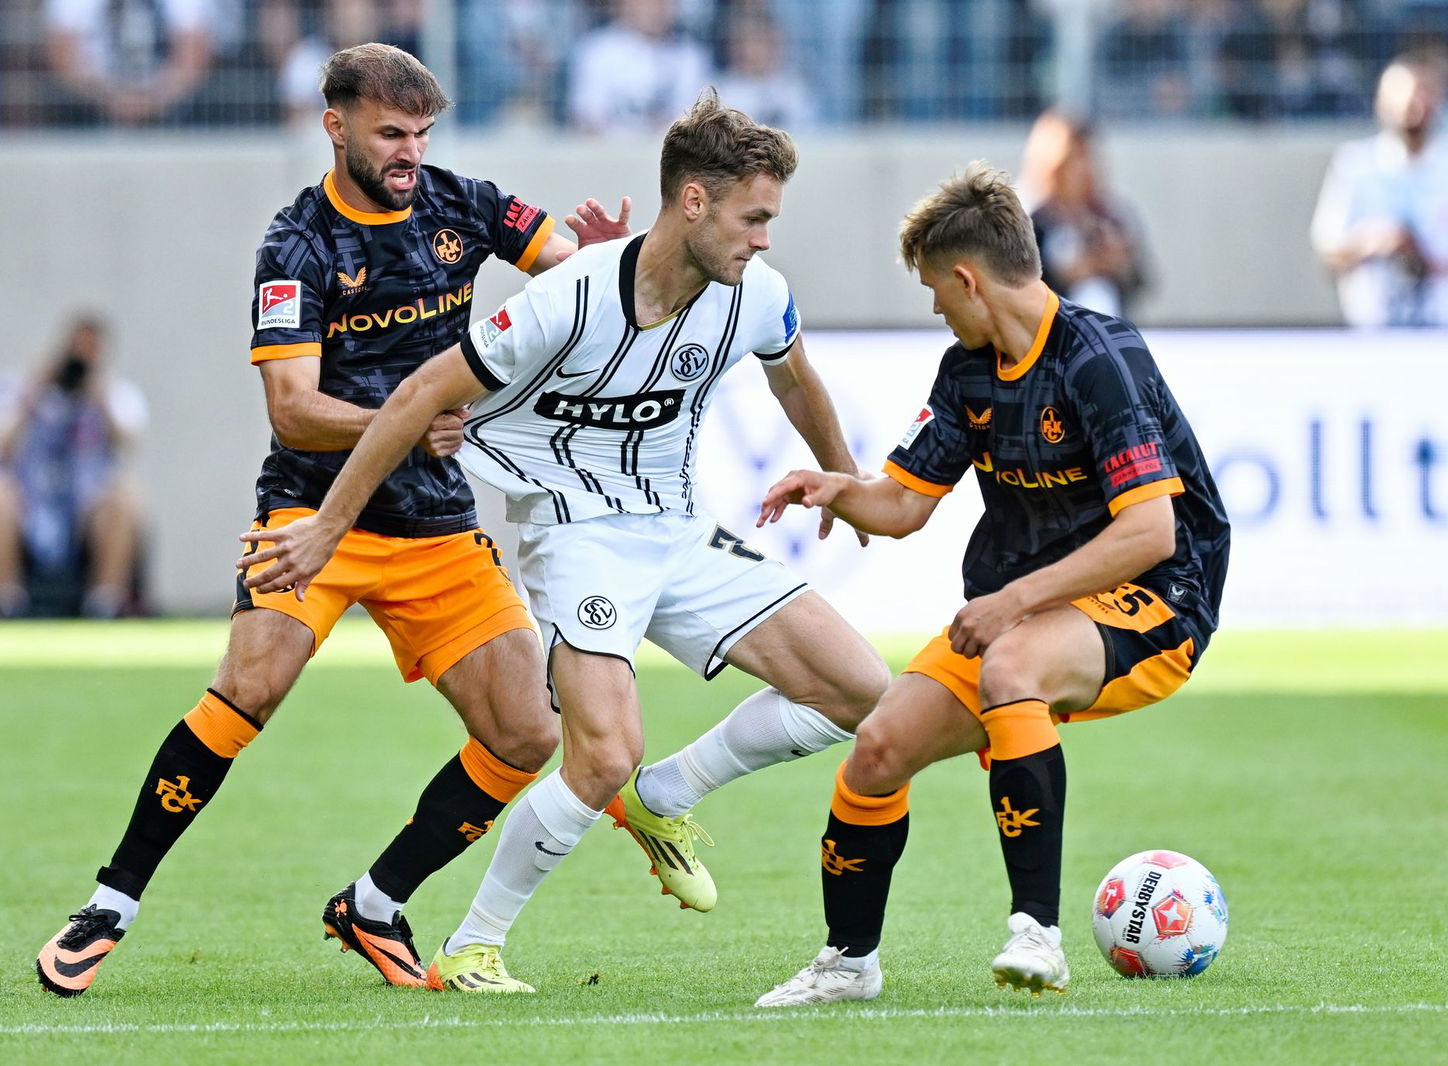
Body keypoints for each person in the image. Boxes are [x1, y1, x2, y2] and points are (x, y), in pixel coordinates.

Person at [239, 92, 891, 993]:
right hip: (578, 535)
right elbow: (419, 395)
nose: (765, 240)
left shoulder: (757, 295)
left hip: (679, 528)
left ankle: (665, 796)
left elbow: (797, 382)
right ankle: (474, 945)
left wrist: (845, 481)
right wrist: (328, 526)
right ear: (693, 202)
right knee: (601, 751)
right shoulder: (572, 297)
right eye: (754, 218)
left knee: (863, 690)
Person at [34, 42, 630, 997]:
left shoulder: (461, 202)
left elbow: (575, 272)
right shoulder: (295, 244)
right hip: (315, 510)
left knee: (526, 733)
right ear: (336, 126)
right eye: (391, 134)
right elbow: (294, 407)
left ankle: (377, 902)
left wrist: (601, 265)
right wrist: (405, 423)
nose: (409, 153)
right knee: (251, 683)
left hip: (435, 523)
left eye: (422, 133)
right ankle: (112, 901)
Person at [752, 161, 1230, 1006]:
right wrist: (839, 487)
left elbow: (1152, 531)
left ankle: (1036, 933)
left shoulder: (1099, 359)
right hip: (1026, 609)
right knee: (877, 751)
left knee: (1013, 668)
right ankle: (849, 962)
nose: (936, 307)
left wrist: (1013, 601)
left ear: (968, 278)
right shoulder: (965, 370)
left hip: (1160, 598)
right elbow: (902, 505)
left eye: (938, 290)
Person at [0, 313, 146, 620]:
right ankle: (5, 604)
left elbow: (128, 443)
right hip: (29, 502)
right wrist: (33, 390)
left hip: (86, 510)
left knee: (126, 497)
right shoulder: (20, 387)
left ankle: (105, 605)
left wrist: (98, 395)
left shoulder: (114, 391)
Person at [1310, 52, 1448, 327]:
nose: (1414, 106)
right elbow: (1329, 251)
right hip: (1374, 335)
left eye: (1422, 93)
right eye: (1403, 96)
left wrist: (1424, 258)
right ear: (1381, 102)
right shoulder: (1355, 166)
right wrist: (1375, 242)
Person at [1019, 110, 1148, 319]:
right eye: (1071, 160)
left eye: (1085, 157)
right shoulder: (1027, 217)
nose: (1080, 169)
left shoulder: (1111, 214)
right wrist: (1060, 276)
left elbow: (1141, 279)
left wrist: (1117, 264)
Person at [43, 0, 213, 126]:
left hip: (170, 106)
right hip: (91, 105)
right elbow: (61, 52)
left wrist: (155, 98)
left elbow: (194, 51)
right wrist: (108, 97)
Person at [567, 0, 713, 136]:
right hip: (608, 154)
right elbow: (587, 117)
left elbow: (696, 121)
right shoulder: (596, 50)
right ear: (624, 5)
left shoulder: (691, 56)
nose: (655, 9)